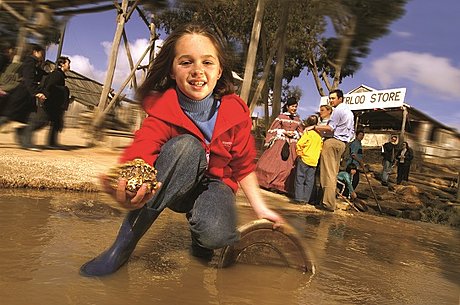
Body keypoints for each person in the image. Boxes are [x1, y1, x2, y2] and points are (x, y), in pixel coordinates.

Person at [79, 23, 284, 277]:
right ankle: (122, 246)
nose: (198, 71)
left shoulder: (237, 112)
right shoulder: (164, 110)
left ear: (219, 70)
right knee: (187, 147)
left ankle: (201, 243)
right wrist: (127, 181)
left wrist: (261, 209)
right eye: (186, 62)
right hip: (175, 185)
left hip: (216, 187)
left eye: (207, 62)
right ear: (173, 71)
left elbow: (243, 166)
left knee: (216, 234)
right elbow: (142, 149)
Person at [310, 89, 354, 212]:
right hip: (342, 144)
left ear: (340, 99)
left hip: (332, 143)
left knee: (327, 174)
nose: (331, 100)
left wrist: (314, 127)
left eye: (333, 98)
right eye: (330, 98)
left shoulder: (338, 110)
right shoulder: (350, 113)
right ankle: (329, 201)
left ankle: (327, 203)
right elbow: (352, 133)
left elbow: (330, 127)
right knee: (333, 174)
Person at [18, 56, 71, 149]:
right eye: (68, 63)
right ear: (62, 64)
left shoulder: (60, 75)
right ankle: (23, 132)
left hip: (55, 103)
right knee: (41, 121)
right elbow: (49, 85)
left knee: (55, 122)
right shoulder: (56, 74)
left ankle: (51, 143)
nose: (69, 65)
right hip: (48, 102)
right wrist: (44, 95)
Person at [255, 97, 303, 194]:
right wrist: (284, 132)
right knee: (273, 163)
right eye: (293, 106)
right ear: (287, 106)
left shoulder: (298, 120)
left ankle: (282, 186)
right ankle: (268, 182)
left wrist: (295, 134)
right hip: (280, 142)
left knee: (288, 167)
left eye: (296, 107)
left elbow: (301, 132)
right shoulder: (281, 117)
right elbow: (273, 129)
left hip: (292, 144)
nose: (294, 108)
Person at [0, 43, 46, 135]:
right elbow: (28, 79)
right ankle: (25, 142)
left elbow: (40, 75)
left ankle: (25, 143)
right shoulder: (29, 62)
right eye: (41, 53)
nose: (42, 55)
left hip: (26, 96)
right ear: (35, 52)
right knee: (8, 116)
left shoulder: (34, 64)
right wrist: (35, 92)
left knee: (25, 118)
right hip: (22, 95)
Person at [292, 115, 322, 204]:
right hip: (314, 161)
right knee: (309, 181)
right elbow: (320, 148)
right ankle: (305, 199)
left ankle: (299, 198)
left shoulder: (307, 133)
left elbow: (299, 144)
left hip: (305, 158)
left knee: (300, 178)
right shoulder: (319, 136)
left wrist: (300, 154)